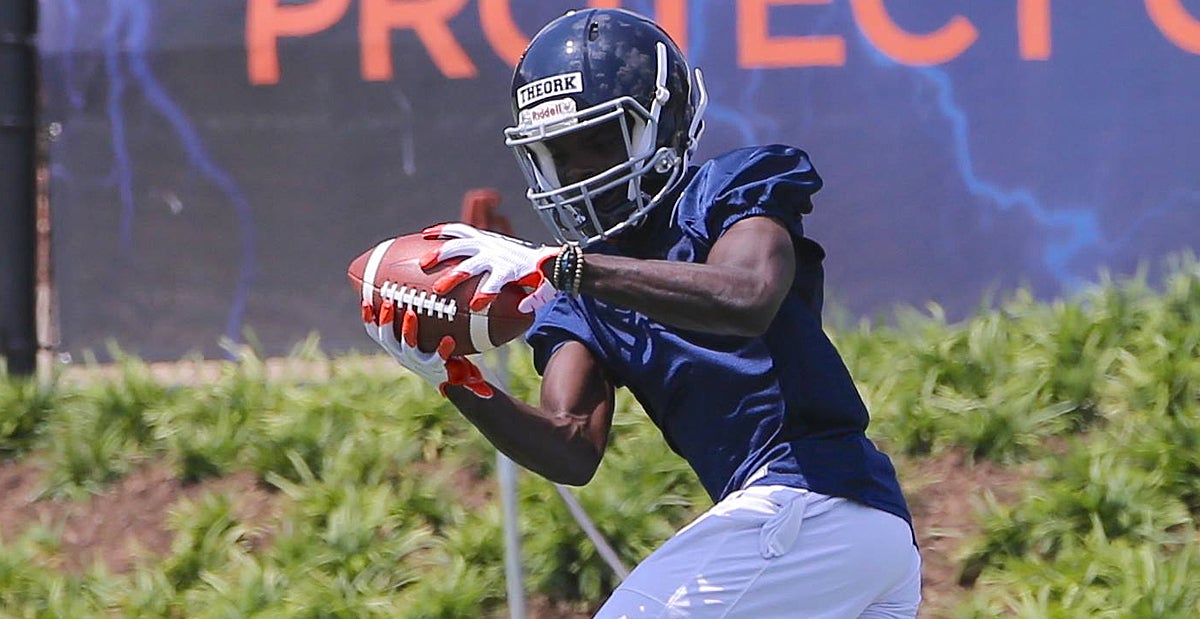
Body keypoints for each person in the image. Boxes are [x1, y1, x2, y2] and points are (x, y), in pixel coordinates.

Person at [363, 8, 921, 618]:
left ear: (664, 124)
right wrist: (456, 381)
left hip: (813, 501)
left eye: (599, 142)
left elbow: (748, 297)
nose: (579, 172)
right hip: (846, 539)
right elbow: (570, 445)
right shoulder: (578, 293)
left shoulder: (724, 194)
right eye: (558, 152)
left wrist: (563, 267)